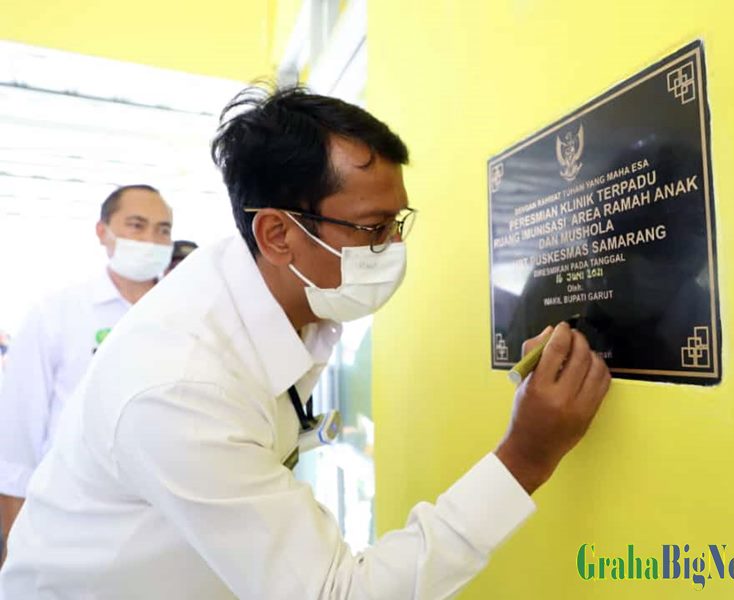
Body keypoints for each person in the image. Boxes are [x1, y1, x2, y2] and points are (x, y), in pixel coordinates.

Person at [0, 87, 610, 598]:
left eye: (398, 223)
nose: (394, 249)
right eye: (373, 229)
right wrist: (527, 456)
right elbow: (335, 593)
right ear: (276, 234)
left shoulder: (281, 295)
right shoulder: (181, 384)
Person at [0, 185, 173, 562]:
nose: (150, 239)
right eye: (136, 225)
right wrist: (15, 549)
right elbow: (17, 440)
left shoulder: (183, 314)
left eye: (163, 230)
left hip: (163, 523)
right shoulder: (57, 314)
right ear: (102, 231)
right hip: (69, 520)